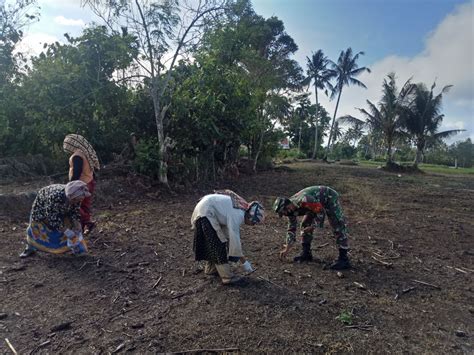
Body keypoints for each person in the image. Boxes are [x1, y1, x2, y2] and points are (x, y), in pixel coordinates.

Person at [191, 189, 265, 285]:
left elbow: (229, 236)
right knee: (218, 244)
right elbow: (235, 240)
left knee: (216, 242)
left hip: (206, 210)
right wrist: (244, 263)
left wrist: (241, 259)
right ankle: (227, 277)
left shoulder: (240, 209)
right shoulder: (238, 215)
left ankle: (211, 269)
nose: (253, 225)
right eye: (254, 222)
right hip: (206, 212)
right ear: (251, 217)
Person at [273, 186, 351, 270]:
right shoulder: (290, 211)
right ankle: (306, 253)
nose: (285, 214)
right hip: (313, 205)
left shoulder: (304, 200)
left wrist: (313, 226)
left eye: (285, 211)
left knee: (337, 225)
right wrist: (287, 248)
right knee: (305, 224)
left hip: (328, 197)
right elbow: (291, 228)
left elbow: (320, 211)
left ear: (288, 205)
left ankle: (344, 259)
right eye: (283, 213)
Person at [20, 181, 91, 258]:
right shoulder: (55, 196)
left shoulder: (77, 197)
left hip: (62, 209)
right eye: (76, 200)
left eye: (80, 199)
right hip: (43, 208)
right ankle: (30, 248)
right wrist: (66, 231)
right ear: (70, 197)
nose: (79, 201)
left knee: (72, 228)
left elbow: (75, 211)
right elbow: (53, 218)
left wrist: (77, 224)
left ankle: (78, 250)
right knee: (37, 229)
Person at [63, 134, 100, 235]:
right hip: (89, 181)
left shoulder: (77, 156)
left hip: (81, 185)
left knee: (75, 206)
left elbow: (77, 172)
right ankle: (85, 226)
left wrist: (70, 186)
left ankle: (86, 223)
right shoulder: (84, 153)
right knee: (85, 206)